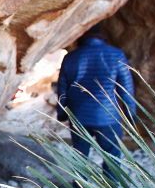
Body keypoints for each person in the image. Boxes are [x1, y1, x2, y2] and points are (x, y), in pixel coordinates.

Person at [56, 24, 136, 175]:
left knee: (80, 156)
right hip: (108, 117)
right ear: (103, 36)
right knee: (112, 157)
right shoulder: (116, 55)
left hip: (78, 116)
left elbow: (62, 89)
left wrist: (62, 113)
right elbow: (126, 89)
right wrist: (131, 114)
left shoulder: (71, 57)